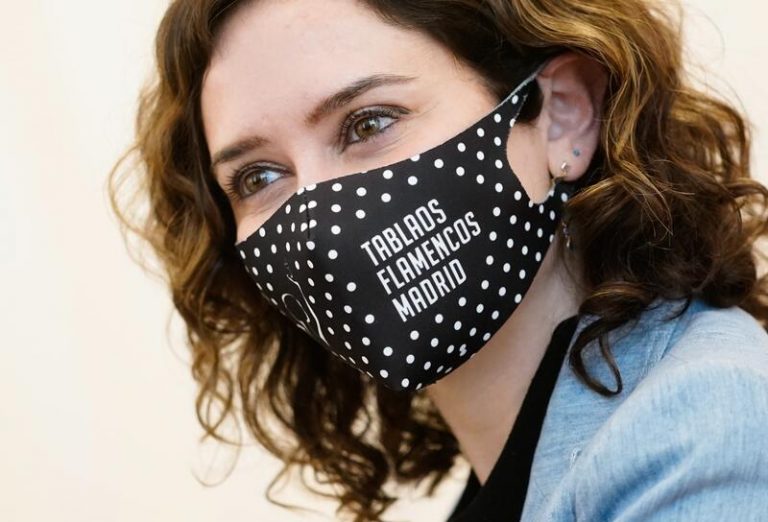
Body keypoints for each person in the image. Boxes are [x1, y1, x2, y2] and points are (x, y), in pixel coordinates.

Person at [108, 0, 768, 520]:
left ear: (563, 114)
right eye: (258, 177)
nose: (315, 224)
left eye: (368, 124)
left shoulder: (701, 426)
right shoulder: (517, 467)